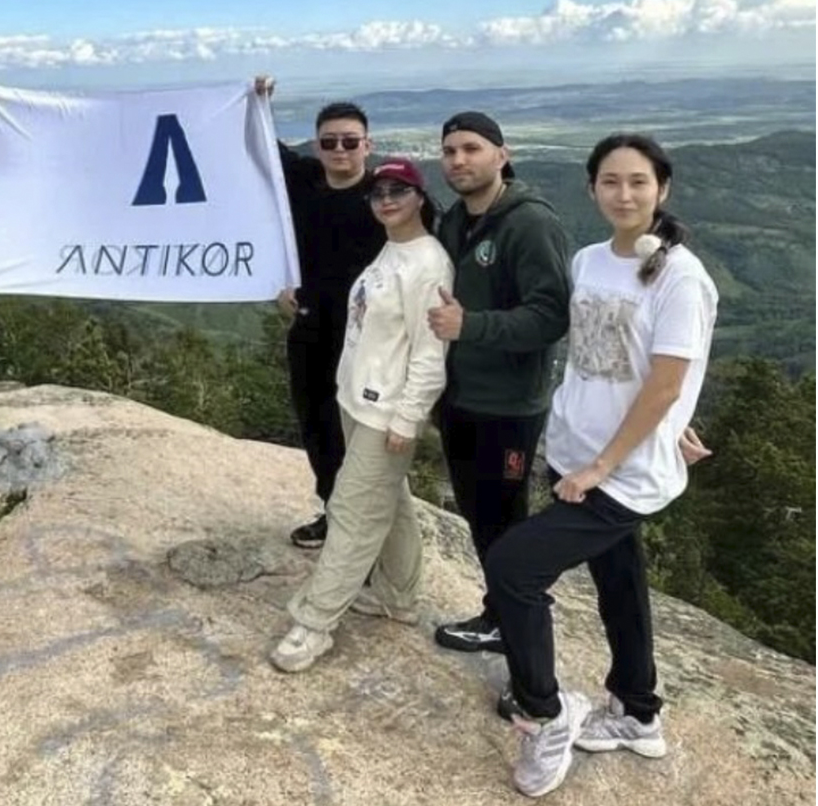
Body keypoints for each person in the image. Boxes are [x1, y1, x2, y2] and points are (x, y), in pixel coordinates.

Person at [482, 134, 718, 798]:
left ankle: (545, 712)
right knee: (619, 580)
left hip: (619, 471)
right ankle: (638, 712)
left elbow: (667, 382)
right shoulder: (588, 260)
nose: (624, 194)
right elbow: (621, 364)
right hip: (574, 447)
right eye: (610, 182)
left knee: (512, 569)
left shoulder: (682, 277)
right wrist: (665, 423)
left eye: (638, 182)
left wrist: (604, 465)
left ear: (662, 188)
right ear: (591, 189)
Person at [270, 158, 453, 673]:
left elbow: (430, 353)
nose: (387, 199)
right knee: (391, 500)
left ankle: (314, 621)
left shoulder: (429, 264)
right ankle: (398, 596)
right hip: (357, 401)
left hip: (385, 410)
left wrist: (407, 418)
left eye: (399, 190)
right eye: (378, 193)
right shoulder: (390, 250)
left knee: (351, 511)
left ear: (421, 198)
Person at [428, 112, 572, 654]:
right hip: (461, 396)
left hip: (509, 405)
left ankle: (520, 636)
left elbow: (552, 316)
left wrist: (471, 326)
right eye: (449, 151)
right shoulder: (455, 221)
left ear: (502, 155)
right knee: (480, 515)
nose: (458, 160)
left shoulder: (529, 223)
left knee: (505, 523)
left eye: (471, 148)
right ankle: (500, 615)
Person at [255, 76, 386, 549]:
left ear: (368, 144)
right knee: (316, 425)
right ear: (317, 145)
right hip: (310, 327)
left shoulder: (387, 196)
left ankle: (370, 533)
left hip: (367, 337)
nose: (340, 150)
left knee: (361, 434)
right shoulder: (307, 179)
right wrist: (257, 101)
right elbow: (260, 145)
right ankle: (335, 514)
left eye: (350, 141)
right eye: (329, 142)